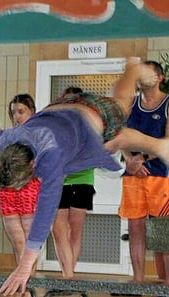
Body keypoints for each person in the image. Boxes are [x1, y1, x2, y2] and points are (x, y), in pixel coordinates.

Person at [0, 57, 169, 297]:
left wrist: (25, 266)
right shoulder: (5, 144)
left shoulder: (50, 157)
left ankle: (132, 70)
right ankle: (157, 144)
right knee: (116, 139)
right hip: (61, 109)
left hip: (92, 117)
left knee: (120, 108)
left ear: (34, 165)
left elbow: (45, 213)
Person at [120, 60, 169, 287]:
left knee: (165, 228)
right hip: (133, 176)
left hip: (159, 175)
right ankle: (138, 279)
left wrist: (143, 159)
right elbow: (119, 135)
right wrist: (130, 160)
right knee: (135, 228)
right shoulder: (131, 103)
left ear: (159, 78)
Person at [54, 87, 98, 279]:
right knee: (58, 230)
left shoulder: (89, 126)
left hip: (82, 181)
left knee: (74, 231)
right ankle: (67, 275)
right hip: (59, 182)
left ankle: (69, 275)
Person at [0, 93, 40, 268]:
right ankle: (22, 287)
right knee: (18, 243)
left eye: (21, 111)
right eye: (14, 112)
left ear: (32, 111)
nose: (17, 116)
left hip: (29, 189)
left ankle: (25, 286)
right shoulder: (8, 136)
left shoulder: (40, 136)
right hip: (8, 191)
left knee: (28, 244)